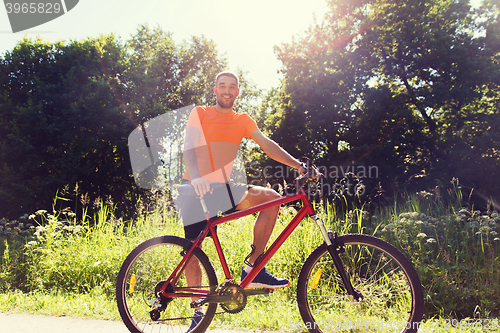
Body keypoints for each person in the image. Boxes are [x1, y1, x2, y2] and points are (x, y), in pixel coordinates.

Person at [179, 71, 303, 332]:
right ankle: (197, 312)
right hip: (194, 187)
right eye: (222, 85)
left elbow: (267, 145)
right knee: (193, 251)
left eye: (231, 87)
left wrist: (298, 165)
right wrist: (198, 177)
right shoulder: (199, 113)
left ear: (237, 92)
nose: (226, 90)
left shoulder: (243, 120)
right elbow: (189, 146)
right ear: (215, 90)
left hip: (223, 188)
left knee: (272, 199)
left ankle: (253, 268)